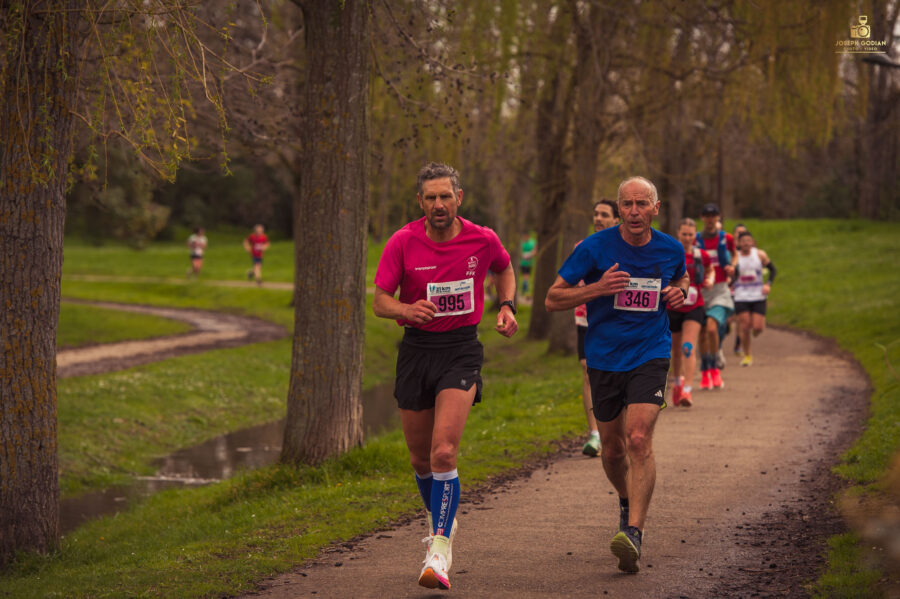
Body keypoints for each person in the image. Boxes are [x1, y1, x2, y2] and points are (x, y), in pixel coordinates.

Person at [372, 162, 518, 590]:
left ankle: (439, 550)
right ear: (421, 202)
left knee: (443, 453)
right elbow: (380, 300)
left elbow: (504, 267)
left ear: (459, 198)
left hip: (460, 349)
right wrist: (405, 309)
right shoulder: (402, 241)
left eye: (446, 196)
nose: (439, 204)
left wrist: (506, 305)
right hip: (417, 351)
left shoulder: (482, 238)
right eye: (431, 197)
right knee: (420, 460)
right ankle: (443, 521)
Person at [546, 176, 689, 574]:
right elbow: (552, 298)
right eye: (627, 204)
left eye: (642, 204)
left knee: (638, 439)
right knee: (612, 450)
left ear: (655, 208)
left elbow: (681, 278)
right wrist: (598, 288)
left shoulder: (670, 248)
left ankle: (634, 533)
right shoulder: (593, 248)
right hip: (605, 357)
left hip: (651, 351)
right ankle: (626, 502)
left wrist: (681, 292)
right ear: (619, 208)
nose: (633, 212)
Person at [575, 199, 619, 456]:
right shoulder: (581, 247)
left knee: (615, 372)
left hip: (614, 318)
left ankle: (613, 427)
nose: (598, 218)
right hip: (585, 317)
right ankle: (594, 434)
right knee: (587, 370)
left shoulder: (624, 247)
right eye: (596, 214)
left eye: (604, 214)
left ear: (616, 219)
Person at [667, 218, 714, 407]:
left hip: (695, 307)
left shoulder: (700, 255)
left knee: (688, 347)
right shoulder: (671, 254)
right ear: (678, 233)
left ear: (695, 236)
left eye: (690, 234)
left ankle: (687, 390)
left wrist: (709, 279)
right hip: (673, 307)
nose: (687, 238)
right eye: (684, 234)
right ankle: (677, 383)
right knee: (676, 350)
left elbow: (710, 270)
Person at [695, 203, 735, 390]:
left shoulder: (726, 238)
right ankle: (705, 372)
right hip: (701, 290)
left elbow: (734, 255)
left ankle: (715, 370)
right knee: (702, 333)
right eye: (706, 215)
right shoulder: (696, 240)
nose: (710, 219)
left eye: (713, 215)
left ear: (718, 217)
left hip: (719, 290)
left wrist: (732, 266)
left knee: (711, 328)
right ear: (702, 218)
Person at [732, 230, 776, 367]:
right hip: (741, 296)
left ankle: (757, 328)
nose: (746, 243)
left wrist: (768, 284)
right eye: (743, 241)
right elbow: (730, 273)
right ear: (739, 243)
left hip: (758, 295)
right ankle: (747, 355)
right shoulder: (735, 257)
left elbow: (773, 270)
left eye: (748, 241)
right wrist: (730, 285)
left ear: (752, 242)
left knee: (757, 327)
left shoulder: (759, 255)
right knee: (745, 327)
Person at [730, 223, 749, 356]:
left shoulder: (749, 251)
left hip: (743, 289)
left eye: (743, 232)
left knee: (739, 318)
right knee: (729, 318)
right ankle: (724, 329)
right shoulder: (729, 250)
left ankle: (738, 344)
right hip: (728, 287)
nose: (741, 234)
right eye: (738, 232)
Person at [520, 232, 536, 298]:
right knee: (525, 276)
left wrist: (529, 255)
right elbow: (519, 251)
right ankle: (525, 288)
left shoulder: (532, 242)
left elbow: (535, 250)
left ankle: (525, 289)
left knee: (526, 276)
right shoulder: (522, 243)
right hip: (522, 262)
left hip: (529, 263)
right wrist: (523, 255)